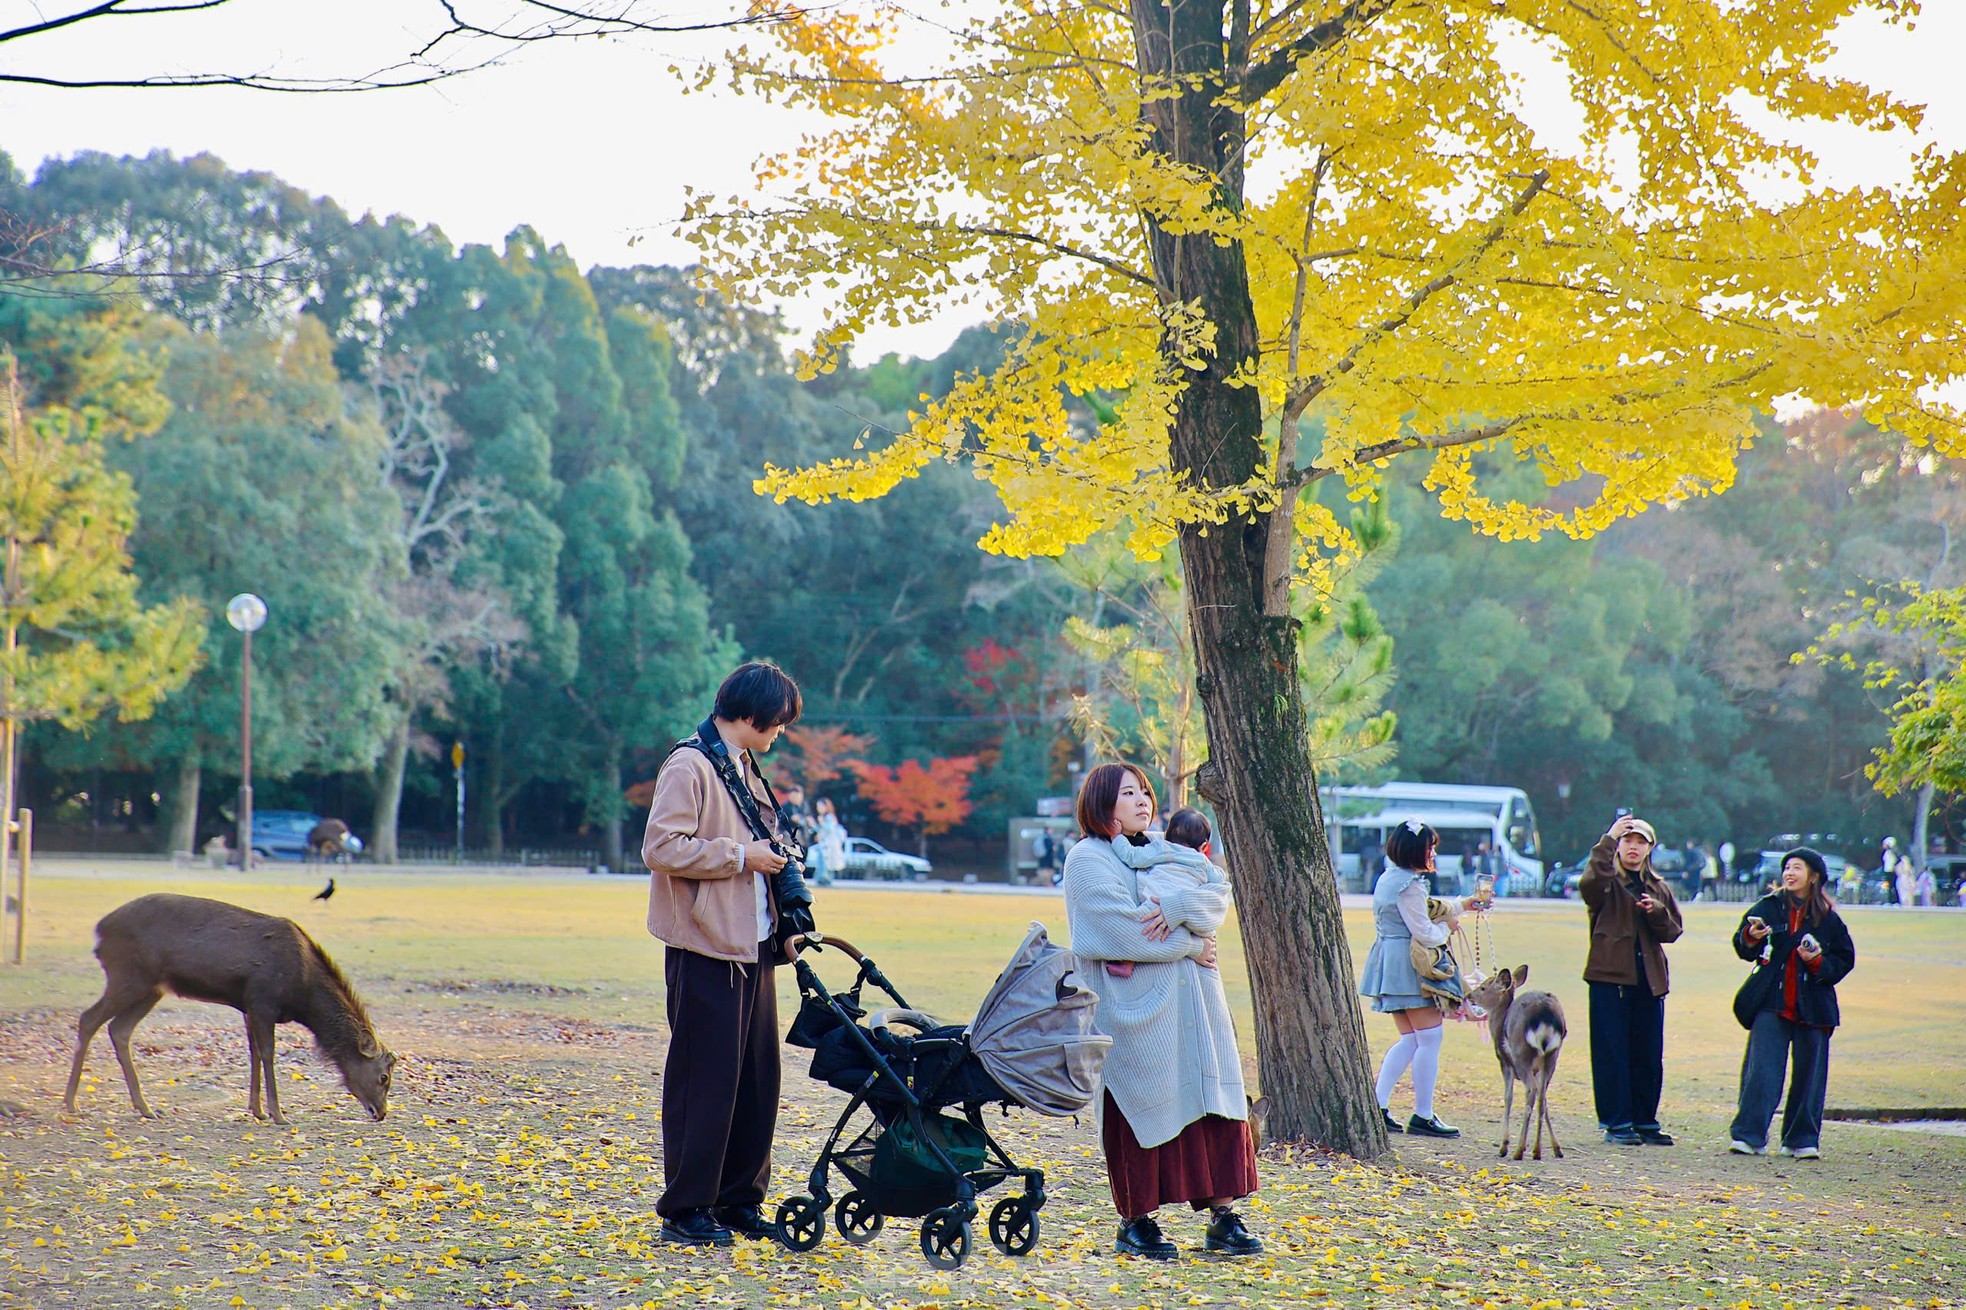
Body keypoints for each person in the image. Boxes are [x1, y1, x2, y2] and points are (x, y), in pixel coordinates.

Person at [642, 660, 816, 1247]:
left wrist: (786, 925)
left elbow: (769, 851)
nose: (780, 733)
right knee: (704, 1082)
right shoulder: (690, 764)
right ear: (751, 715)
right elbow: (661, 847)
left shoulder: (742, 766)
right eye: (778, 723)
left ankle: (739, 1200)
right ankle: (687, 1209)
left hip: (755, 947)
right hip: (706, 948)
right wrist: (742, 856)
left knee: (755, 1081)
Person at [1063, 764, 1261, 1261]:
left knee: (1211, 1103)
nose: (1142, 801)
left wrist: (1181, 920)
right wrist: (1192, 946)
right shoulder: (1087, 859)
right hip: (1137, 1013)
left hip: (1194, 1003)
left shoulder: (1163, 851)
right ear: (1102, 803)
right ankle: (1136, 1222)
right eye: (1128, 793)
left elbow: (1213, 900)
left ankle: (1224, 1216)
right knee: (1140, 1107)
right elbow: (1118, 932)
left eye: (1145, 792)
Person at [1359, 819, 1492, 1140]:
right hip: (1410, 965)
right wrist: (1451, 926)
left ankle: (1379, 1105)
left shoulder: (1390, 877)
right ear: (1417, 850)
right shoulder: (1410, 885)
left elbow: (1428, 908)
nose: (1433, 852)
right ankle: (1423, 1114)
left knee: (1411, 1040)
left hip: (1389, 961)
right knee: (1429, 1039)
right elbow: (1426, 932)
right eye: (1430, 846)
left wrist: (1460, 904)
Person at [1727, 848, 1856, 1158]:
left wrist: (1817, 961)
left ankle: (1801, 1141)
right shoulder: (1768, 907)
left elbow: (1844, 960)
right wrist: (1751, 935)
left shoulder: (1828, 919)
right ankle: (1749, 1136)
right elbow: (1742, 946)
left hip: (1814, 1006)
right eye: (1786, 867)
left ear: (1813, 876)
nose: (1789, 872)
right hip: (1772, 1002)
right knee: (1761, 1072)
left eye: (1797, 868)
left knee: (1809, 1076)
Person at [1579, 814, 1684, 1147]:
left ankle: (1644, 1120)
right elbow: (1589, 884)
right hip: (1610, 978)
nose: (1633, 847)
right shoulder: (1606, 882)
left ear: (1650, 848)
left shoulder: (1659, 887)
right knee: (1612, 1052)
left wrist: (1655, 911)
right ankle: (1616, 1121)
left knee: (1647, 1053)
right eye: (1627, 841)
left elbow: (1672, 931)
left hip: (1649, 980)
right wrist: (1607, 838)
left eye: (1640, 842)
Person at [810, 798, 846, 886]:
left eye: (820, 806)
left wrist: (820, 823)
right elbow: (821, 831)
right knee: (823, 864)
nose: (818, 808)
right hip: (824, 845)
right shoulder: (824, 817)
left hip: (829, 846)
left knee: (825, 865)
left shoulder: (829, 817)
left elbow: (829, 829)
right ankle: (823, 880)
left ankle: (824, 881)